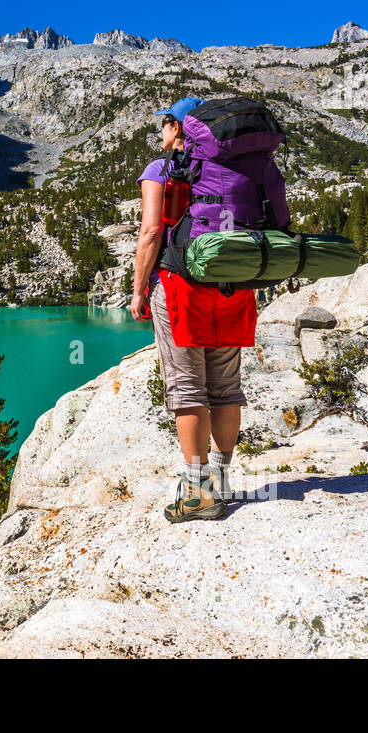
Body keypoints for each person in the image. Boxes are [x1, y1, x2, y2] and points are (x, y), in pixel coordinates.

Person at [129, 96, 256, 523]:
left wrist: (138, 291)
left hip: (180, 285)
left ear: (178, 127)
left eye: (165, 124)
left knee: (186, 388)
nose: (161, 133)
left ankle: (198, 494)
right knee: (225, 388)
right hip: (233, 286)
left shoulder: (161, 170)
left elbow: (150, 232)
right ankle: (220, 484)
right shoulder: (237, 168)